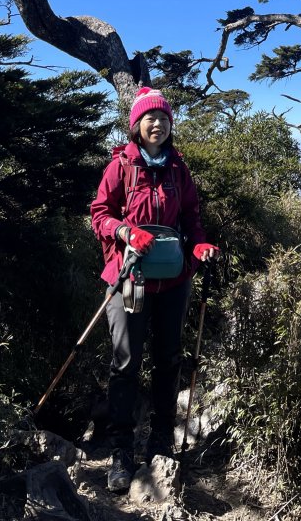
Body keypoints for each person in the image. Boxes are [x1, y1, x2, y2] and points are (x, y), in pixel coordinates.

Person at [91, 87, 220, 493]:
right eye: (150, 118)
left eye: (163, 118)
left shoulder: (179, 169)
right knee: (126, 363)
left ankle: (160, 440)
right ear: (136, 125)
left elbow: (192, 218)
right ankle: (121, 451)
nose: (158, 124)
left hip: (174, 281)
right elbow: (100, 214)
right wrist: (125, 230)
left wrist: (198, 245)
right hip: (129, 278)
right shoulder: (122, 166)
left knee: (168, 360)